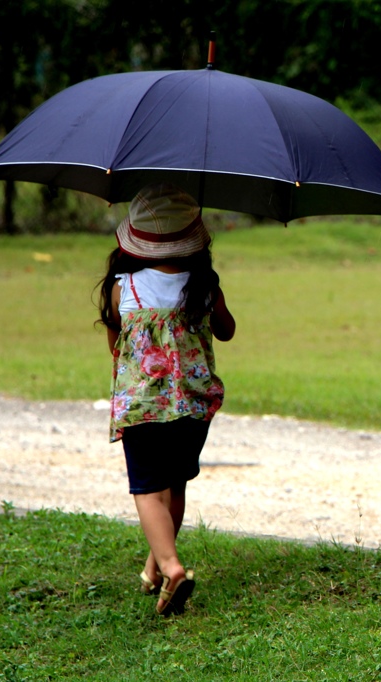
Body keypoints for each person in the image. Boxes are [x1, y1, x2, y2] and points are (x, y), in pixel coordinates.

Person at [96, 183, 236, 616]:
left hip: (144, 407)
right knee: (174, 484)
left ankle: (172, 565)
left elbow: (116, 348)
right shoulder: (204, 286)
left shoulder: (124, 289)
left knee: (147, 490)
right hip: (192, 407)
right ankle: (154, 568)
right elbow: (227, 330)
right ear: (195, 242)